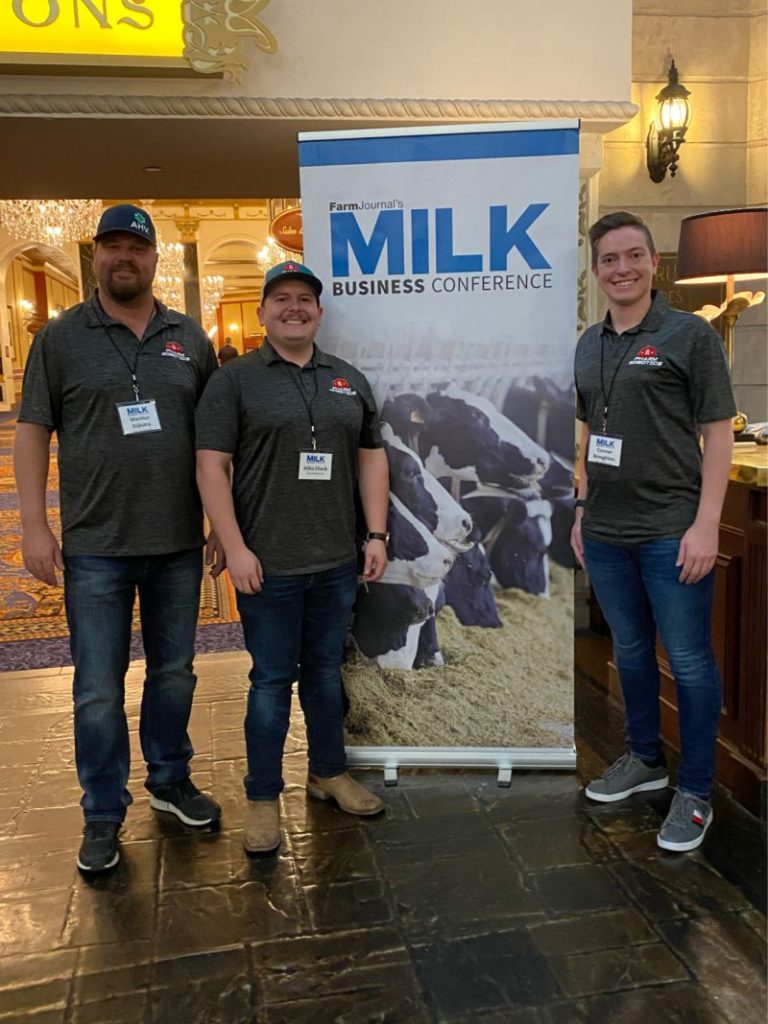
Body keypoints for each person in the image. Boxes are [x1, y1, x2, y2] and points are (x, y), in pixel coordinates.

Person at [14, 204, 222, 873]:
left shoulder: (189, 338)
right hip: (95, 546)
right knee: (98, 688)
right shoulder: (60, 338)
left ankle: (170, 779)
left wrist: (223, 523)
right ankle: (102, 811)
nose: (123, 257)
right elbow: (32, 431)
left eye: (136, 247)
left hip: (178, 542)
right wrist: (35, 524)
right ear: (95, 255)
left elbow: (218, 439)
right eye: (112, 246)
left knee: (174, 673)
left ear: (156, 258)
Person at [196, 260, 389, 854]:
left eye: (305, 298)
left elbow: (371, 456)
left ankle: (328, 773)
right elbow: (210, 466)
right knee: (271, 682)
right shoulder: (234, 381)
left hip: (336, 561)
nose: (294, 307)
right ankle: (261, 796)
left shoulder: (348, 379)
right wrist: (234, 547)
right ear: (262, 313)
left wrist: (376, 535)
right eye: (281, 298)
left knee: (326, 675)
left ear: (319, 313)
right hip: (267, 565)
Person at [572, 211, 735, 852]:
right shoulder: (588, 344)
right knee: (631, 651)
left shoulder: (689, 334)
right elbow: (589, 433)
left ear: (653, 262)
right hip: (607, 531)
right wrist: (581, 509)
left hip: (673, 529)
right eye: (609, 259)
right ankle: (645, 758)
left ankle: (695, 791)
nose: (623, 269)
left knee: (689, 662)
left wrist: (707, 524)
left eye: (633, 255)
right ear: (596, 270)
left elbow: (717, 434)